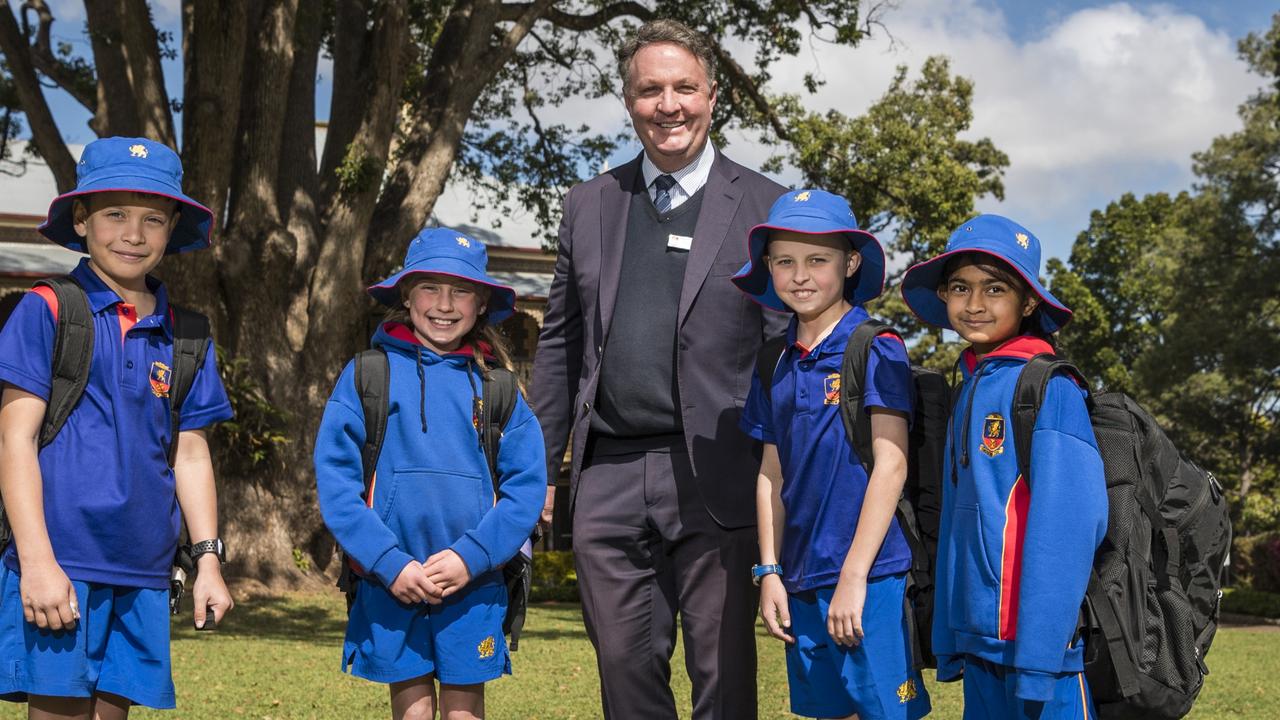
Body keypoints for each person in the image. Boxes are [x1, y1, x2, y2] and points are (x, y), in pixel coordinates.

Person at [529, 17, 788, 720]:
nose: (667, 105)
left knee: (724, 680)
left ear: (712, 97)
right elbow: (558, 343)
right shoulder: (589, 204)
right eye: (650, 90)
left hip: (720, 474)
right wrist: (535, 468)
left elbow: (785, 350)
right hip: (606, 474)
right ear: (628, 101)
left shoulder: (769, 208)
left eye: (684, 88)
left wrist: (785, 473)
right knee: (625, 672)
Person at [0, 136, 234, 717]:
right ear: (81, 220)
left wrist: (207, 560)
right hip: (61, 564)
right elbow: (15, 439)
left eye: (153, 219)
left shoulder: (188, 336)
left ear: (172, 227)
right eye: (114, 215)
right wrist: (37, 563)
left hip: (145, 573)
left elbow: (192, 456)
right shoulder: (48, 308)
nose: (134, 234)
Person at [314, 227, 545, 720]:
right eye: (431, 288)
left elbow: (524, 492)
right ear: (406, 294)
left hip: (474, 582)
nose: (445, 303)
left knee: (464, 713)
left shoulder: (500, 388)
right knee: (412, 712)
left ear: (482, 302)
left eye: (461, 290)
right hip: (390, 581)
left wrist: (472, 557)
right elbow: (337, 484)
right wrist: (388, 562)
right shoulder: (366, 375)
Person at [733, 189, 933, 720]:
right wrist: (769, 571)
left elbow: (891, 464)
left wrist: (854, 577)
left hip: (870, 575)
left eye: (817, 260)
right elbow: (770, 474)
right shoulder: (773, 359)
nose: (800, 275)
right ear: (769, 269)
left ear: (849, 264)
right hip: (798, 576)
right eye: (785, 261)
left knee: (886, 713)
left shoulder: (876, 345)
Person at [901, 215, 1108, 719]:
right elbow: (957, 520)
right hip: (983, 647)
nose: (974, 304)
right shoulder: (969, 384)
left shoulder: (1050, 389)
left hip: (1043, 656)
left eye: (995, 288)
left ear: (1030, 300)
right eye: (960, 288)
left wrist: (1039, 656)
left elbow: (1069, 527)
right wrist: (952, 634)